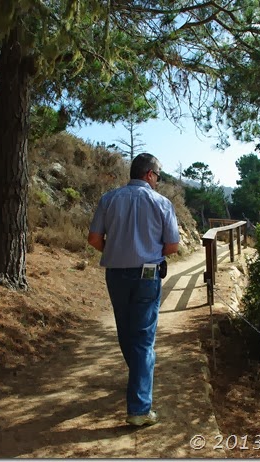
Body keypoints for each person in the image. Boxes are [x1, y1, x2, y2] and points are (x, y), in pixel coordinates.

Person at [87, 152, 180, 426]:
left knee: (126, 332)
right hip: (147, 275)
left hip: (116, 275)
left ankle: (137, 380)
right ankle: (139, 409)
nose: (158, 182)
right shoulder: (162, 203)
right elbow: (172, 246)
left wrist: (115, 251)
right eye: (158, 176)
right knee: (143, 338)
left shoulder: (109, 199)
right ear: (149, 174)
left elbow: (94, 239)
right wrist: (152, 252)